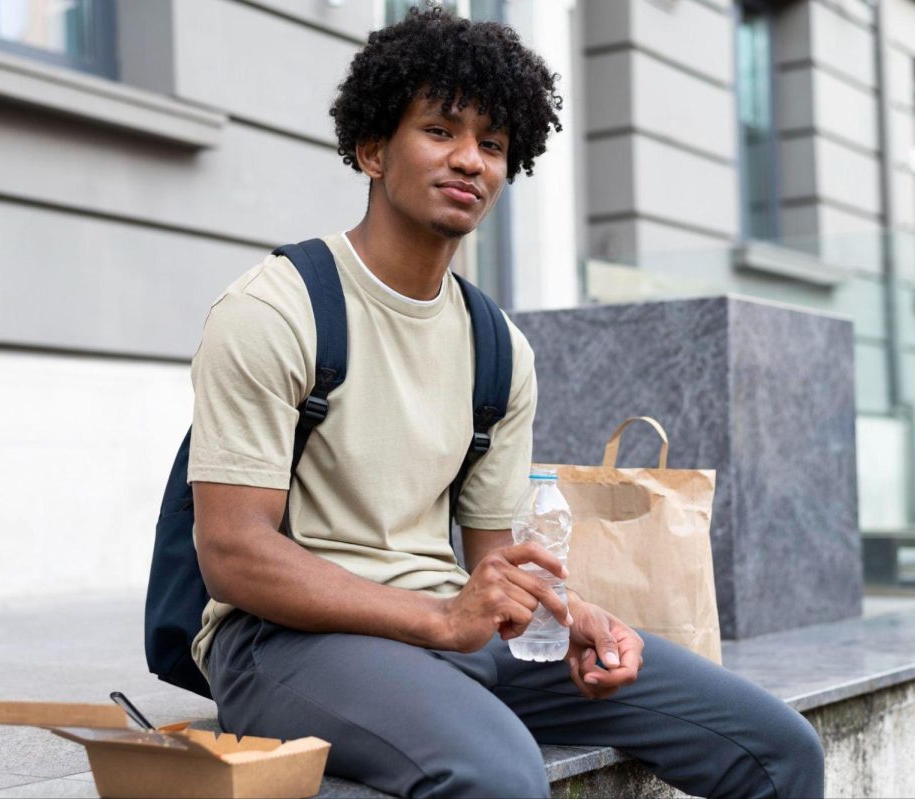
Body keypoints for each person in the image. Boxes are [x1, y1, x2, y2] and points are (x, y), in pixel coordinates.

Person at [187, 7, 824, 798]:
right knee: (498, 775)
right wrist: (439, 621)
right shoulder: (278, 308)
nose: (470, 160)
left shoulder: (497, 348)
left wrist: (570, 613)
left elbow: (496, 563)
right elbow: (233, 552)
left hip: (446, 629)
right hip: (282, 642)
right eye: (441, 130)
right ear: (372, 148)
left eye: (492, 144)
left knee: (777, 748)